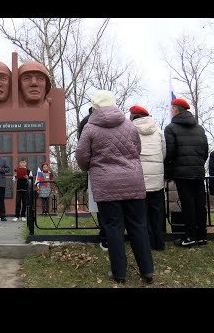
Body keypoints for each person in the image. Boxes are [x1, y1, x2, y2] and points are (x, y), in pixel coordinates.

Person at [76, 90, 154, 284]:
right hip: (133, 181)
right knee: (138, 226)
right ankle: (147, 270)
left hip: (106, 184)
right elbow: (137, 150)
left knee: (113, 228)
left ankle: (119, 273)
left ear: (94, 107)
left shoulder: (90, 128)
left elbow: (81, 156)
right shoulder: (129, 124)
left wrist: (91, 167)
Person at [164, 98, 209, 247]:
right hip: (197, 171)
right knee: (200, 204)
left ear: (176, 110)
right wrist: (197, 164)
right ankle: (202, 236)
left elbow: (170, 153)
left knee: (188, 204)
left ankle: (190, 237)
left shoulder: (171, 128)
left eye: (172, 109)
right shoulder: (200, 128)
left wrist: (169, 171)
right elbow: (205, 152)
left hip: (182, 173)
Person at [129, 105, 166, 251]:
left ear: (133, 116)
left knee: (142, 213)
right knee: (157, 212)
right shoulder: (157, 131)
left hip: (139, 178)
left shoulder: (130, 130)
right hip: (157, 178)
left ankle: (147, 242)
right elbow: (163, 152)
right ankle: (159, 242)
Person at [77, 106, 105, 250]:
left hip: (96, 169)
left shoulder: (85, 123)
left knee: (101, 203)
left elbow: (81, 148)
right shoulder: (120, 121)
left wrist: (86, 166)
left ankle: (104, 236)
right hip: (120, 170)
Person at [13, 157, 31, 222]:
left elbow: (30, 181)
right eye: (21, 162)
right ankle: (16, 216)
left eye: (24, 162)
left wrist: (27, 178)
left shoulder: (29, 171)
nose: (22, 164)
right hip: (19, 189)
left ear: (26, 163)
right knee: (18, 203)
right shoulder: (17, 170)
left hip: (25, 189)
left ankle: (23, 216)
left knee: (25, 203)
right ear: (19, 163)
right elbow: (13, 180)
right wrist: (15, 176)